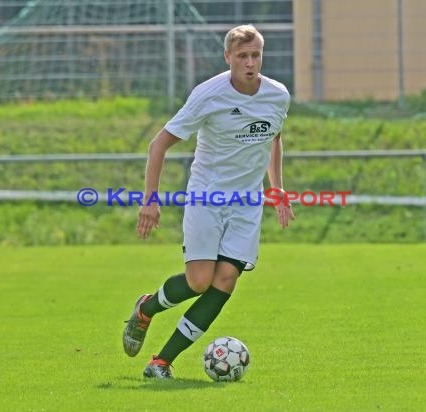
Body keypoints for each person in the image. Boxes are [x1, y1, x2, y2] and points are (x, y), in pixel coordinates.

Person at [122, 24, 295, 379]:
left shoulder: (277, 95)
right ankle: (146, 308)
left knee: (226, 279)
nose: (250, 63)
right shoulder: (208, 94)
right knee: (199, 280)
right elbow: (158, 145)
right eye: (243, 56)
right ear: (227, 57)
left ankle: (160, 362)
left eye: (256, 55)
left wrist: (276, 188)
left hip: (246, 203)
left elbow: (273, 138)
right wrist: (149, 201)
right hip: (207, 196)